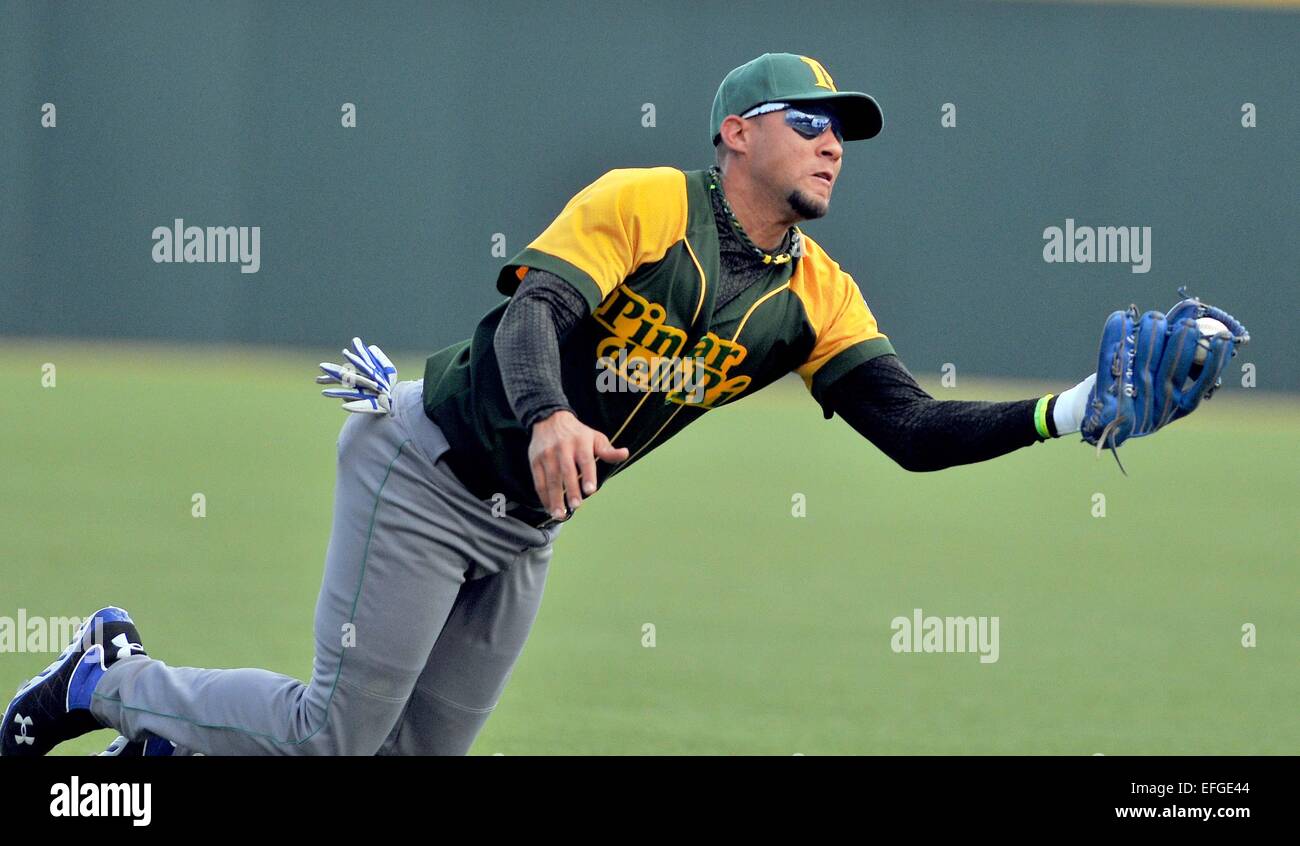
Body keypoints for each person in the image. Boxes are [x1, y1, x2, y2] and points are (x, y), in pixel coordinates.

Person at [5, 52, 1193, 757]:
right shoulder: (644, 201)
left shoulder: (817, 296)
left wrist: (1068, 409)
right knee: (334, 737)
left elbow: (914, 432)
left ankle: (166, 758)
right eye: (811, 122)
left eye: (849, 133)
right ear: (738, 133)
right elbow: (533, 314)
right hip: (427, 466)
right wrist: (548, 418)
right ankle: (103, 678)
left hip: (526, 528)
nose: (836, 145)